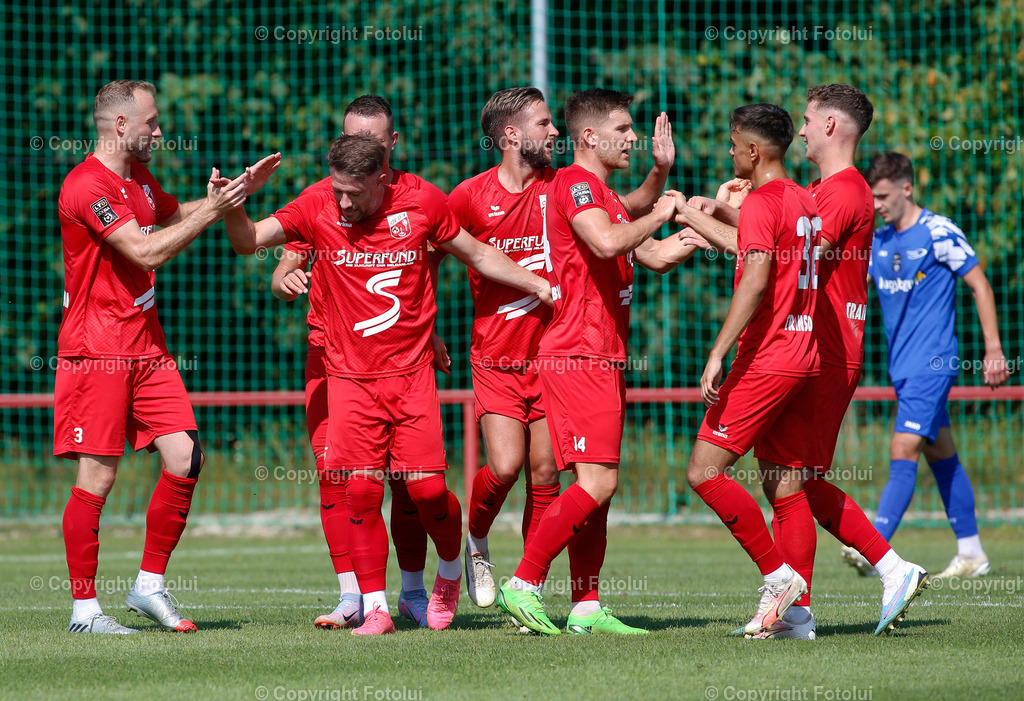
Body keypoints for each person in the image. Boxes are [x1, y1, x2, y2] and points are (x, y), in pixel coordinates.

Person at [226, 134, 551, 635]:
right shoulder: (316, 205)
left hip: (411, 375)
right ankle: (376, 607)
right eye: (338, 190)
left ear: (382, 177)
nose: (344, 202)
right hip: (349, 378)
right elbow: (248, 240)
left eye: (354, 192)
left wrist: (536, 284)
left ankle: (448, 572)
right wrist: (236, 200)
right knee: (359, 492)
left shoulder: (423, 201)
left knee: (427, 491)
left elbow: (478, 254)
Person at [680, 86, 929, 638]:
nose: (802, 131)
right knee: (787, 483)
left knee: (787, 481)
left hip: (818, 350)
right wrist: (723, 210)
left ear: (834, 127)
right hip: (811, 349)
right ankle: (800, 616)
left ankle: (877, 570)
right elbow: (776, 237)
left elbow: (773, 264)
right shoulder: (818, 190)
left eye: (811, 121)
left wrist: (701, 224)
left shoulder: (841, 193)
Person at [56, 79, 274, 634]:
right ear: (120, 126)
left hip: (148, 349)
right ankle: (85, 613)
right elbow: (147, 249)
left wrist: (233, 196)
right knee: (97, 480)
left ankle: (147, 586)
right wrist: (214, 211)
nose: (160, 130)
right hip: (97, 351)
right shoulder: (86, 185)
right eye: (151, 122)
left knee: (185, 457)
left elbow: (174, 221)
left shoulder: (142, 181)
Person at [448, 87, 677, 609]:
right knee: (506, 468)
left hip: (553, 352)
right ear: (511, 135)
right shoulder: (470, 196)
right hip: (503, 354)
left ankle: (535, 593)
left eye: (556, 123)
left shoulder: (563, 182)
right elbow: (432, 243)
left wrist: (663, 185)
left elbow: (619, 210)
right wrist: (429, 325)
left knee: (548, 474)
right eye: (544, 123)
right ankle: (479, 542)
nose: (554, 132)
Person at [496, 88, 695, 636]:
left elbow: (651, 254)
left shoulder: (603, 192)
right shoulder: (576, 183)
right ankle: (524, 583)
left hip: (603, 354)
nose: (633, 138)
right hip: (579, 353)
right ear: (589, 136)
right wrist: (660, 210)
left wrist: (702, 226)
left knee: (596, 488)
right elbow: (609, 244)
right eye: (624, 129)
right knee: (598, 484)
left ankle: (586, 606)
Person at [268, 95, 437, 629]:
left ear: (392, 145)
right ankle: (354, 596)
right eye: (350, 138)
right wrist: (284, 280)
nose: (359, 147)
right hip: (332, 358)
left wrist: (434, 336)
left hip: (401, 362)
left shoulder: (418, 199)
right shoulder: (323, 197)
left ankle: (414, 589)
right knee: (337, 476)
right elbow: (282, 267)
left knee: (411, 480)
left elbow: (433, 276)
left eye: (371, 140)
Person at [862, 151, 1009, 579]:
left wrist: (994, 350)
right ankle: (972, 552)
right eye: (872, 197)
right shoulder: (879, 240)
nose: (877, 205)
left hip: (933, 362)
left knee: (902, 448)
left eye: (883, 196)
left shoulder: (939, 231)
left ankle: (874, 548)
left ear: (907, 188)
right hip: (901, 368)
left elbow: (980, 286)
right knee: (941, 455)